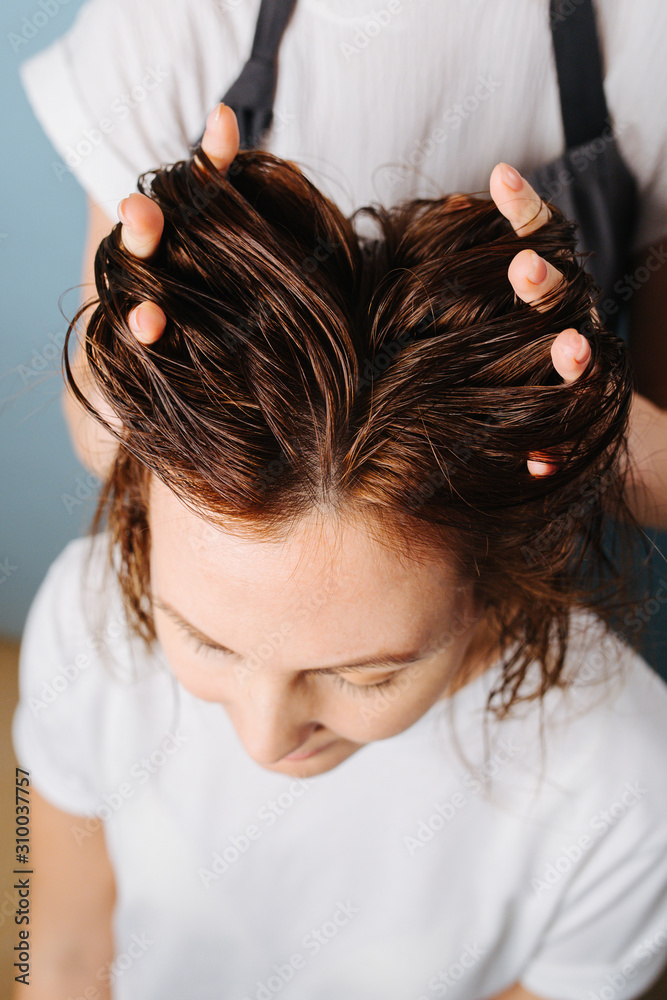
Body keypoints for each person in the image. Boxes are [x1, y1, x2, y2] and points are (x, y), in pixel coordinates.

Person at [12, 113, 667, 1000]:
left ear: (514, 580)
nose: (263, 738)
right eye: (201, 642)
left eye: (362, 678)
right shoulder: (85, 623)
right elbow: (48, 952)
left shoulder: (626, 786)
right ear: (137, 509)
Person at [17, 0, 667, 530]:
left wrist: (592, 429)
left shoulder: (642, 32)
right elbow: (95, 431)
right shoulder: (166, 20)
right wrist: (143, 378)